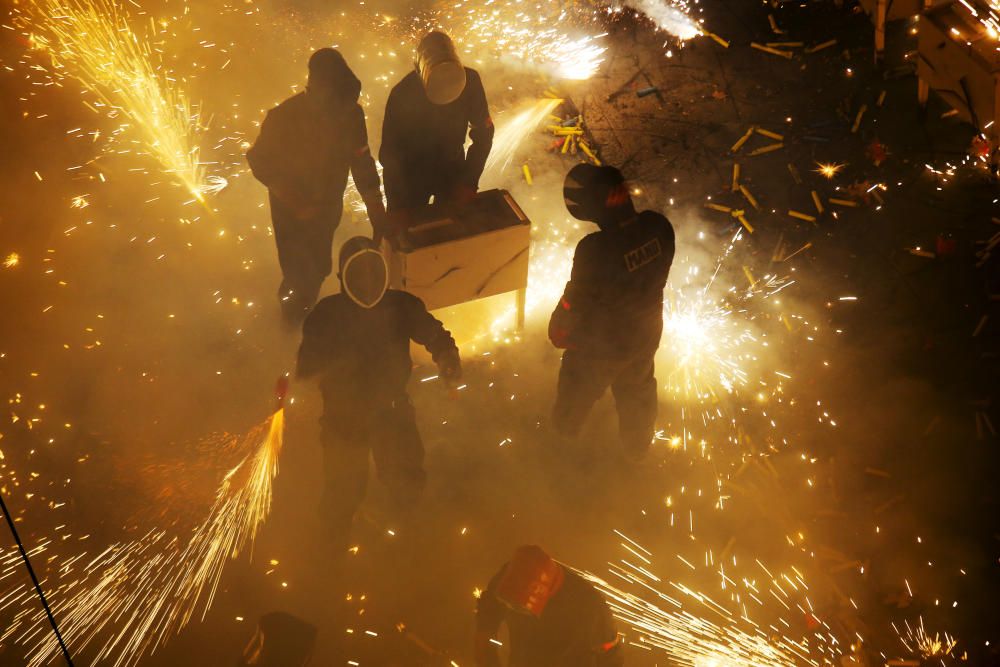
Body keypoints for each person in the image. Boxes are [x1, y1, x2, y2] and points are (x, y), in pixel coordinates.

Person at [296, 236, 461, 550]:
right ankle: (330, 549)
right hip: (344, 420)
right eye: (361, 274)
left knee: (405, 478)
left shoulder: (402, 305)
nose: (369, 281)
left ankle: (411, 540)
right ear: (344, 278)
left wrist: (447, 355)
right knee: (343, 489)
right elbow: (307, 367)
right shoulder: (325, 315)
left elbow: (435, 334)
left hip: (392, 411)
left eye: (375, 272)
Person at [247, 48, 388, 323]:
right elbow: (257, 159)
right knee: (298, 273)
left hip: (327, 205)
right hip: (290, 213)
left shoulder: (351, 114)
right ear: (320, 92)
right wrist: (292, 198)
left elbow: (361, 161)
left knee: (321, 266)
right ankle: (291, 320)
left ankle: (305, 306)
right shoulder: (283, 117)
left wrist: (376, 208)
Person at [548, 164, 675, 461]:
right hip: (646, 334)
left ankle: (559, 450)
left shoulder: (594, 249)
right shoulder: (659, 226)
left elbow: (575, 301)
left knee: (575, 395)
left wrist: (558, 329)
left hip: (600, 347)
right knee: (638, 392)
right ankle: (638, 453)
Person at [379, 31, 494, 225]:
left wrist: (468, 181)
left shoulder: (471, 82)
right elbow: (390, 156)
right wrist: (397, 205)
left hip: (452, 169)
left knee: (455, 235)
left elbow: (484, 133)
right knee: (412, 240)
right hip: (411, 177)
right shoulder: (402, 95)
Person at [474, 545, 623, 667]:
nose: (511, 609)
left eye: (519, 607)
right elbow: (488, 612)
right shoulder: (512, 576)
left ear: (542, 594)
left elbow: (611, 656)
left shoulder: (591, 609)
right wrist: (487, 656)